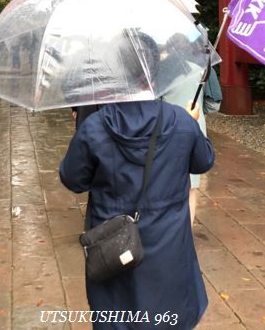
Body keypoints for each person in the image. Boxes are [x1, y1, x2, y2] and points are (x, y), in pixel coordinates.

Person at [59, 32, 215, 329]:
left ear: (115, 72)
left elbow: (72, 179)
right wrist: (191, 125)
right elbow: (204, 161)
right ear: (156, 69)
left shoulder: (95, 126)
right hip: (169, 245)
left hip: (113, 245)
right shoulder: (180, 121)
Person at [157, 33, 221, 225]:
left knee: (164, 183)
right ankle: (187, 230)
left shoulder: (161, 70)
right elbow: (214, 104)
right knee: (191, 187)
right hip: (194, 129)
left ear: (169, 48)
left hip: (165, 132)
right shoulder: (203, 69)